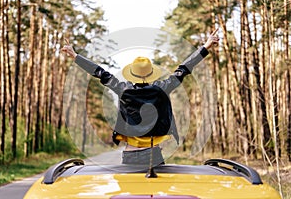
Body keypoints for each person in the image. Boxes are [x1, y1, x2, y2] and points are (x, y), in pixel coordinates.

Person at [61, 29, 219, 166]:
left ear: (132, 73)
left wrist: (75, 56)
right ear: (151, 74)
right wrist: (205, 47)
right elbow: (183, 69)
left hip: (130, 154)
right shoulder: (162, 89)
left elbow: (100, 72)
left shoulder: (123, 89)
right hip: (153, 154)